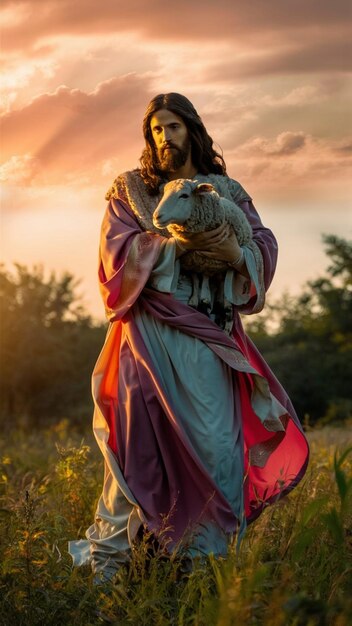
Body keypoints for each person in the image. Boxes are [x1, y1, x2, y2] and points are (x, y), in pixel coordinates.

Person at [68, 93, 309, 578]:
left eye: (173, 127)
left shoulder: (226, 190)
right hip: (153, 336)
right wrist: (179, 245)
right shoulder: (132, 190)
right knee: (139, 452)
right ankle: (110, 573)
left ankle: (207, 568)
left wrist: (235, 253)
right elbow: (117, 254)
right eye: (156, 129)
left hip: (211, 334)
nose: (164, 138)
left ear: (193, 130)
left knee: (219, 446)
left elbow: (260, 240)